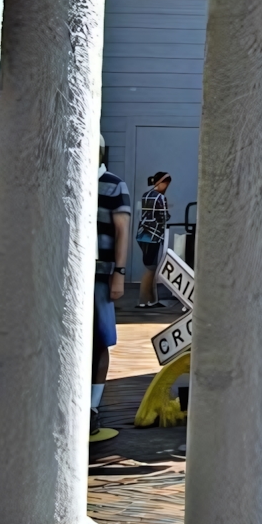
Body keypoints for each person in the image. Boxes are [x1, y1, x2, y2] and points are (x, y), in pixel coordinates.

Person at [92, 135, 133, 442]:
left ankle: (93, 406)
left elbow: (122, 230)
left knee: (100, 339)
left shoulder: (113, 185)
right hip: (70, 276)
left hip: (100, 275)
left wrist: (118, 272)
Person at [136, 171, 172, 308]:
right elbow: (163, 217)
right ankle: (144, 300)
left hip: (142, 235)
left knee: (150, 266)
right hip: (154, 235)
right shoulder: (160, 198)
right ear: (162, 183)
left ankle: (151, 300)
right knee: (151, 268)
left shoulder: (145, 195)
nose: (167, 187)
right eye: (167, 184)